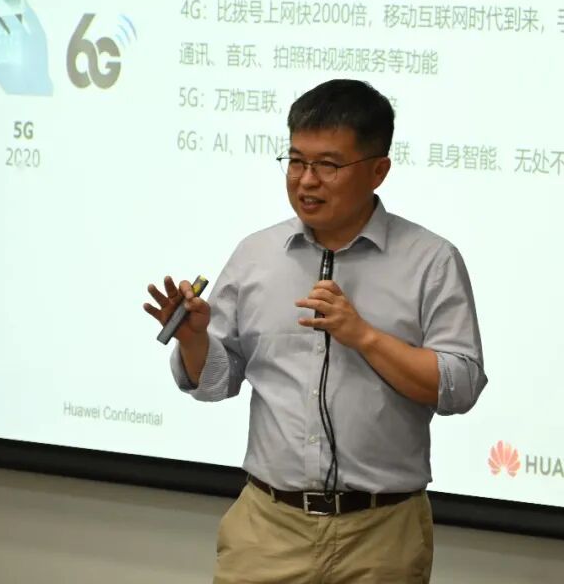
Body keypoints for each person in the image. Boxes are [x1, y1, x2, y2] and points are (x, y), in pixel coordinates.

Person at [143, 79, 488, 584]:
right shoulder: (256, 255)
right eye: (295, 161)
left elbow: (460, 386)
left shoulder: (430, 261)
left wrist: (364, 337)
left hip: (381, 535)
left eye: (328, 165)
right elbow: (216, 382)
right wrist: (195, 339)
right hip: (268, 528)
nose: (306, 181)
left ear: (378, 170)